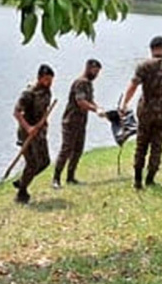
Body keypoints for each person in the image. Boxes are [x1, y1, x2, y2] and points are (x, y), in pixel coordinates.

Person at [120, 36, 162, 190]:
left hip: (146, 108)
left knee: (141, 144)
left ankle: (137, 179)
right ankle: (150, 179)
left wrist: (125, 104)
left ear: (151, 49)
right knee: (157, 145)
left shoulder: (143, 65)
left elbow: (133, 86)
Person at [53, 59, 104, 189]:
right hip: (70, 121)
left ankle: (70, 177)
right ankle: (56, 178)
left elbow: (90, 101)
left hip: (81, 122)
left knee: (78, 150)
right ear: (88, 68)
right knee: (66, 150)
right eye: (95, 71)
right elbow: (81, 102)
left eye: (98, 72)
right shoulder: (80, 83)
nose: (96, 74)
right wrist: (95, 109)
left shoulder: (89, 84)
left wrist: (101, 110)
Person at [12, 64, 54, 204]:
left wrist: (45, 124)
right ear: (40, 78)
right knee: (32, 163)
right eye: (47, 80)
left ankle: (23, 181)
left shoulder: (48, 92)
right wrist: (29, 128)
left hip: (40, 132)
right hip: (27, 132)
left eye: (51, 80)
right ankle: (22, 193)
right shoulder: (29, 93)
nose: (49, 83)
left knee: (45, 162)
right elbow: (17, 113)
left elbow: (44, 110)